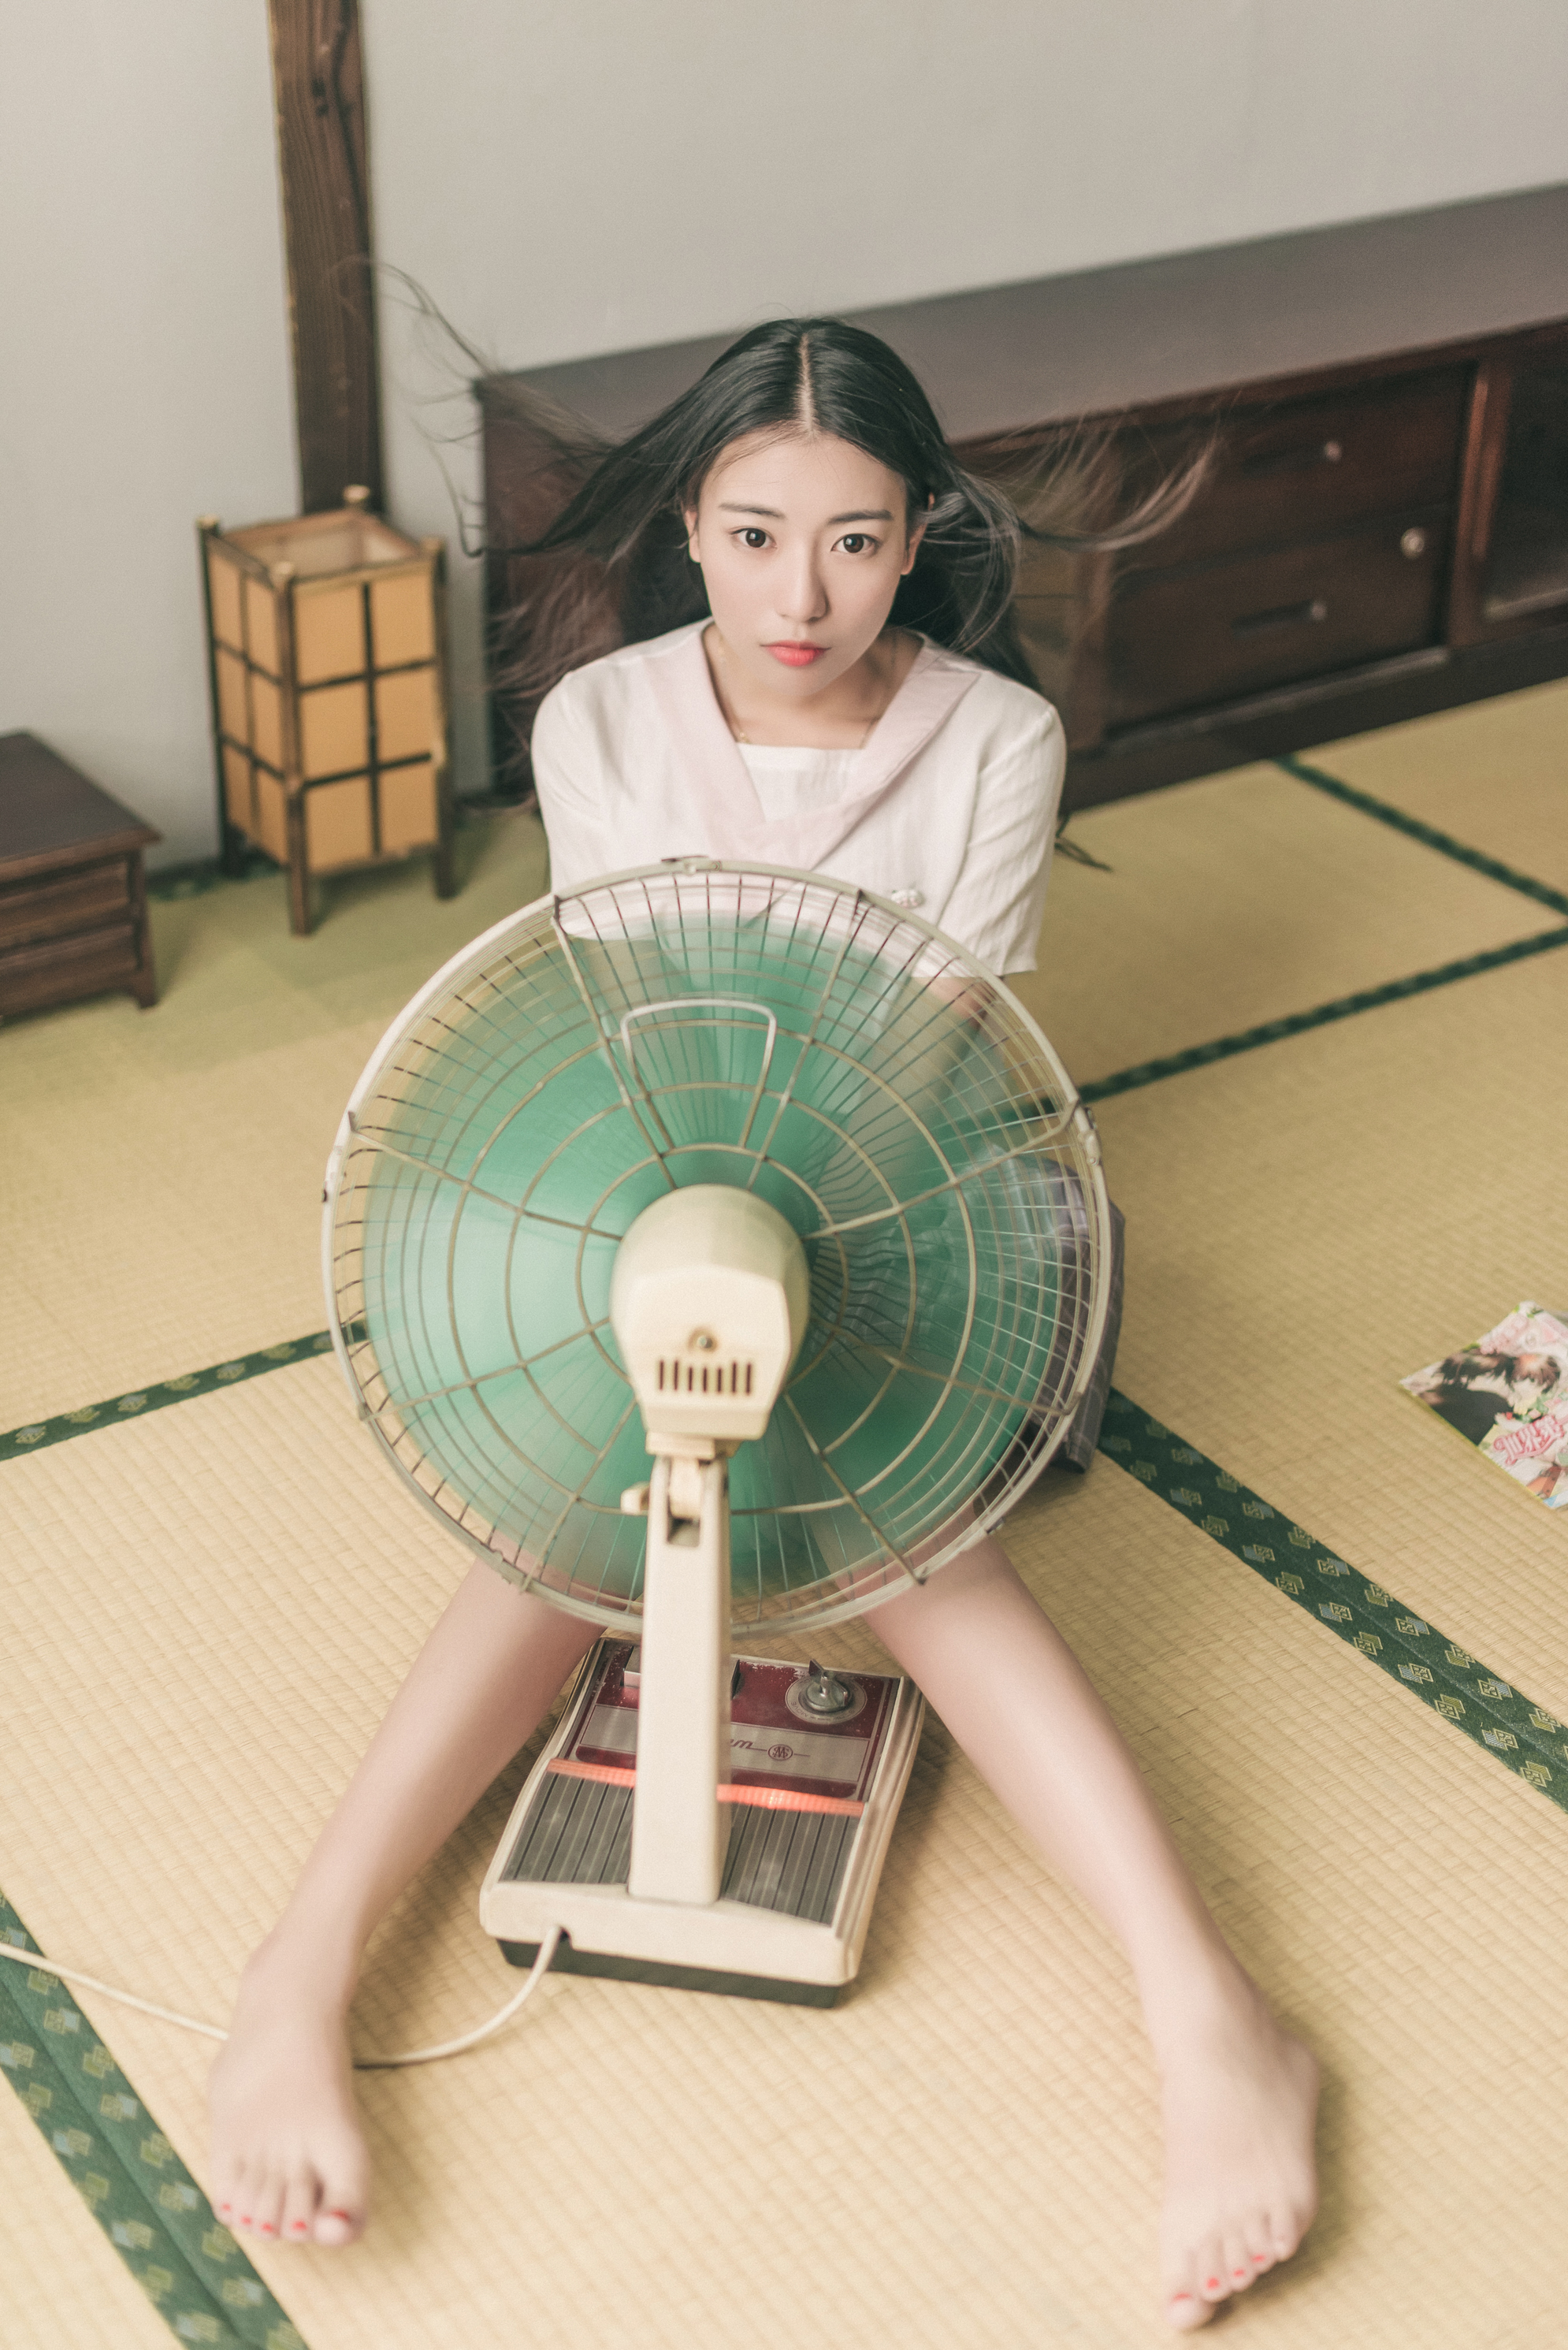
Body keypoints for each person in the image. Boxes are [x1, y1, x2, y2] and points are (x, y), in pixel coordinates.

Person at [209, 319, 1317, 2331]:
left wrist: (776, 1297)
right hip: (646, 1177)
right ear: (689, 529)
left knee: (907, 1552)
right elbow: (607, 1026)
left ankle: (1210, 2013)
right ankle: (297, 1975)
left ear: (920, 535)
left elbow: (933, 1055)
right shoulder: (599, 719)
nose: (797, 595)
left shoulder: (993, 738)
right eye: (749, 535)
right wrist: (680, 1293)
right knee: (564, 1512)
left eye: (854, 542)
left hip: (911, 1205)